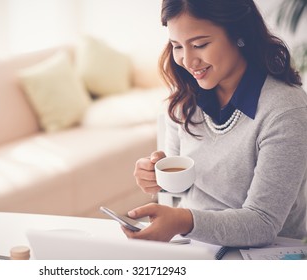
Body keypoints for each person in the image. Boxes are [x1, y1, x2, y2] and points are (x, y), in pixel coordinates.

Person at [123, 0, 307, 248]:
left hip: (266, 254)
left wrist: (184, 221)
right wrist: (158, 175)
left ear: (238, 33)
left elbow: (263, 223)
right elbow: (181, 193)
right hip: (196, 245)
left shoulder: (285, 110)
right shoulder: (184, 98)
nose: (188, 61)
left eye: (200, 45)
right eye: (177, 46)